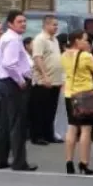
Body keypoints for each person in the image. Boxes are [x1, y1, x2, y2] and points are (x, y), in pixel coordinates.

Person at [0, 10, 37, 172]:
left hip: (6, 82)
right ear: (10, 23)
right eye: (20, 21)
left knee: (5, 122)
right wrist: (20, 80)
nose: (23, 24)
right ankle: (19, 162)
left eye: (24, 21)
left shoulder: (8, 37)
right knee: (17, 124)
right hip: (13, 83)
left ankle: (0, 159)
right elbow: (9, 64)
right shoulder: (12, 39)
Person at [60, 30, 93, 175]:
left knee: (72, 127)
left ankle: (69, 161)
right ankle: (84, 162)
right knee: (86, 129)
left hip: (69, 94)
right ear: (77, 41)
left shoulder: (64, 55)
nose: (87, 42)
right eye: (85, 40)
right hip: (85, 95)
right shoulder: (86, 56)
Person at [30, 15, 63, 145]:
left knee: (51, 109)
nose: (56, 27)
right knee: (40, 109)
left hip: (55, 80)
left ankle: (48, 134)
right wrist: (45, 75)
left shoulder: (54, 40)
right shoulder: (40, 39)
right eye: (54, 25)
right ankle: (37, 136)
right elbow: (38, 58)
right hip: (43, 80)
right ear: (46, 25)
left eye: (56, 25)